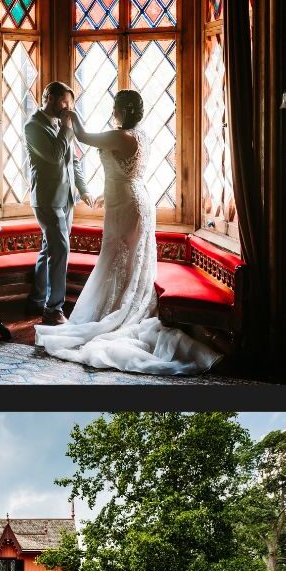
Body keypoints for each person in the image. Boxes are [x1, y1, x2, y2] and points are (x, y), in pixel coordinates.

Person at [32, 90, 221, 374]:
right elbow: (124, 170)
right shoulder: (140, 135)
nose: (112, 112)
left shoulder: (120, 136)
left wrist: (71, 115)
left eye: (115, 107)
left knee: (118, 257)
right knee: (127, 260)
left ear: (122, 110)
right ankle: (120, 304)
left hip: (126, 205)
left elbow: (83, 136)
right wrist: (101, 194)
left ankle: (115, 312)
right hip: (133, 199)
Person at [25, 80, 92, 326]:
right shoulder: (33, 126)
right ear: (50, 98)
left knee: (49, 249)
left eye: (70, 104)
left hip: (67, 199)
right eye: (64, 102)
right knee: (61, 249)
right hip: (47, 198)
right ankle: (53, 309)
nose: (68, 108)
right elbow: (54, 156)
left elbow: (73, 161)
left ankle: (37, 299)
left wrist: (83, 189)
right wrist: (66, 128)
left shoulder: (62, 126)